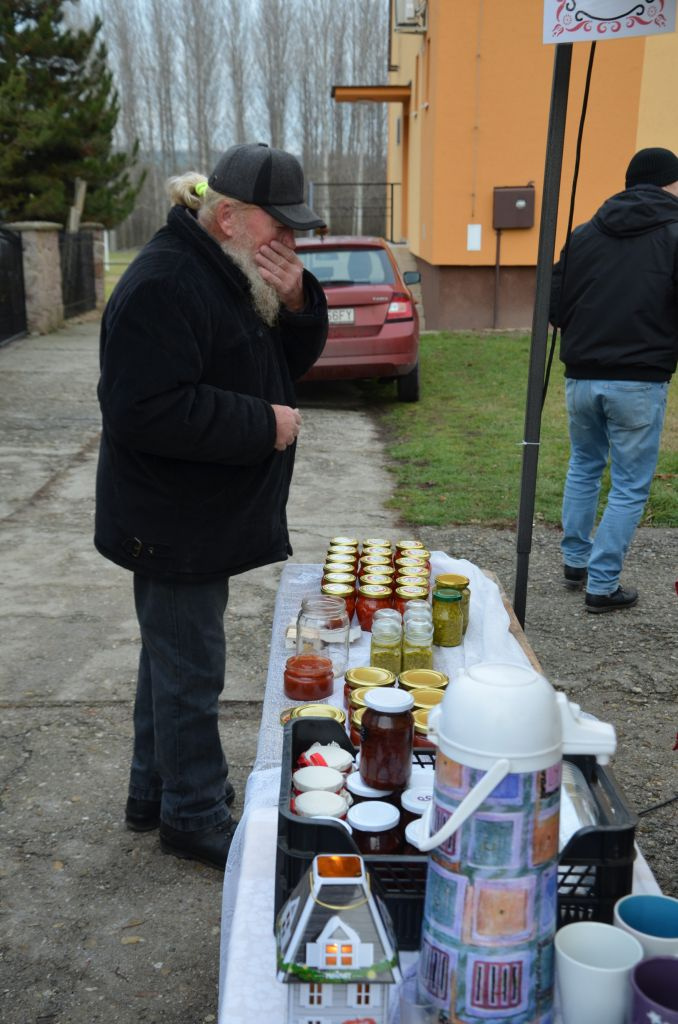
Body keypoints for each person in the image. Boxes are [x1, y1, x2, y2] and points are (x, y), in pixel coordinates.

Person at [94, 143, 328, 868]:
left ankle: (152, 792)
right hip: (171, 518)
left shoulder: (229, 267)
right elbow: (143, 409)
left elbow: (282, 363)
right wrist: (264, 424)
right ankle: (192, 814)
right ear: (228, 217)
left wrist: (298, 303)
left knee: (170, 659)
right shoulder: (166, 282)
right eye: (279, 226)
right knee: (191, 669)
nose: (289, 242)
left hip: (196, 513)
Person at [551, 147, 678, 613]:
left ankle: (576, 562)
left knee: (584, 465)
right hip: (639, 381)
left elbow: (554, 307)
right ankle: (601, 585)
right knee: (628, 484)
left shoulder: (585, 233)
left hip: (581, 377)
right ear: (669, 183)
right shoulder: (674, 233)